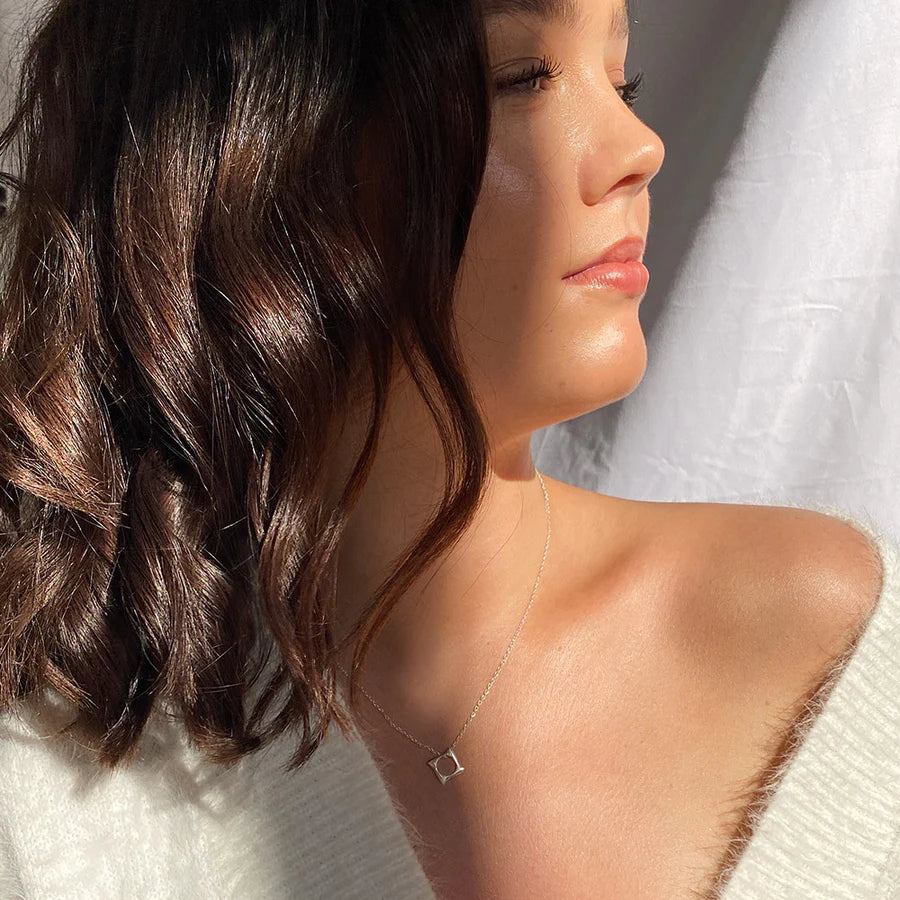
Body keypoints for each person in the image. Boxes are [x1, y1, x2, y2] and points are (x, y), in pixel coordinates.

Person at [0, 0, 895, 897]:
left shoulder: (833, 649)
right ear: (255, 159)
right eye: (525, 79)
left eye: (623, 80)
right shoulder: (59, 773)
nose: (640, 145)